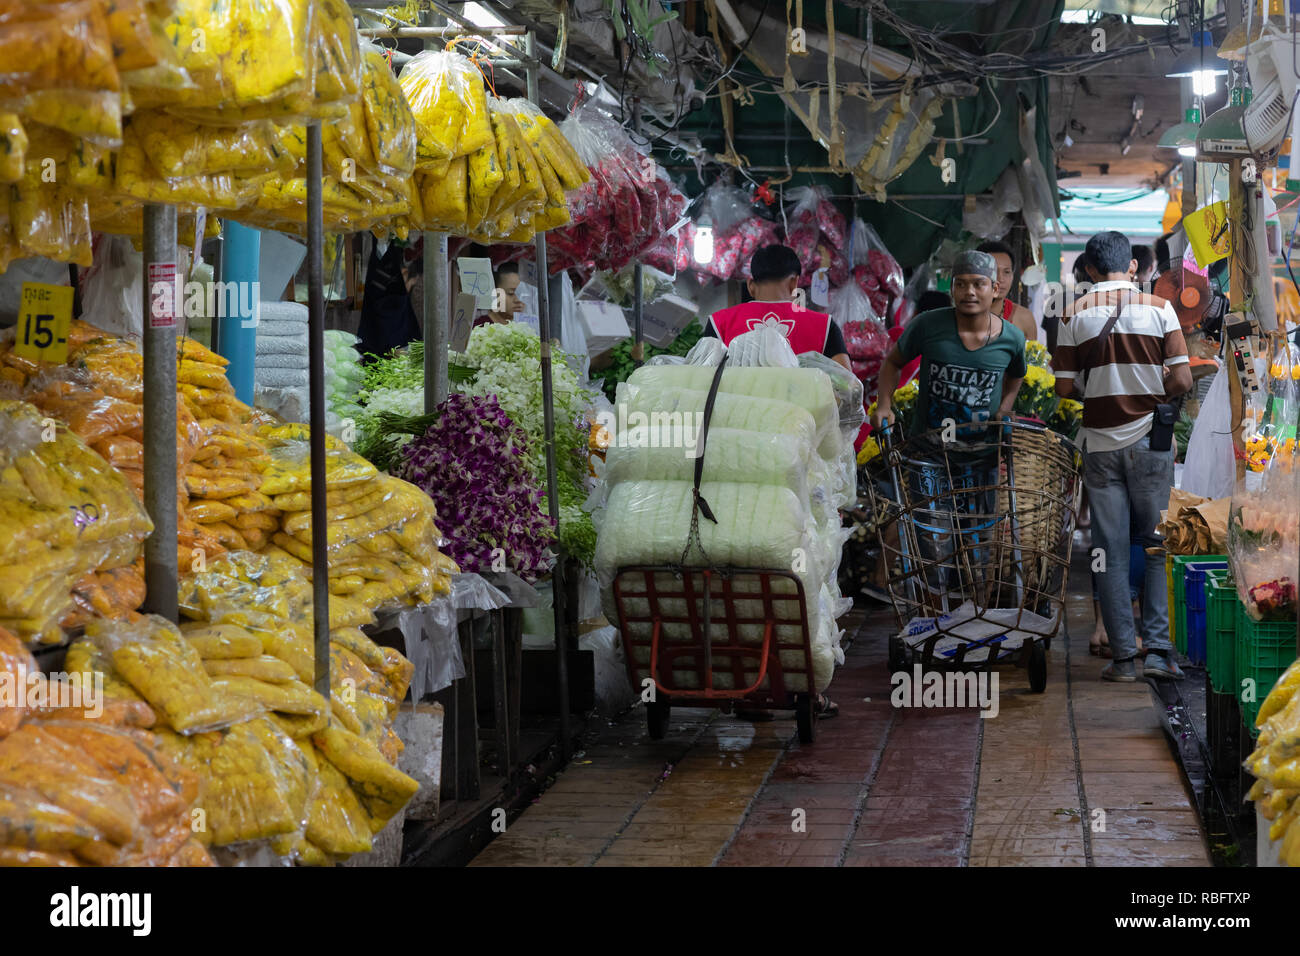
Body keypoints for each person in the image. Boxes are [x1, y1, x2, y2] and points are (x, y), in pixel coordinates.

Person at [1053, 231, 1192, 682]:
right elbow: (1183, 380)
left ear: (1089, 271)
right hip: (1151, 444)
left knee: (1106, 553)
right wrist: (1152, 394)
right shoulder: (1160, 309)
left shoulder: (1072, 313)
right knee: (1156, 546)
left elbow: (1063, 387)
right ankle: (1158, 652)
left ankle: (1123, 660)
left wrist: (1099, 389)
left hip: (1099, 447)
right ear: (1133, 267)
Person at [873, 250, 1027, 436]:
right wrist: (884, 405)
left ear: (994, 289)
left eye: (978, 284)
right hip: (927, 453)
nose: (969, 292)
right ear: (952, 289)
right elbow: (892, 362)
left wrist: (1005, 406)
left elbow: (1017, 375)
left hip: (983, 456)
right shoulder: (927, 325)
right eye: (960, 284)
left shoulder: (1012, 338)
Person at [704, 244, 852, 371]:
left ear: (750, 285)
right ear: (794, 282)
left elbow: (701, 381)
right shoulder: (824, 326)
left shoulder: (719, 323)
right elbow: (848, 388)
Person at [356, 242, 421, 362]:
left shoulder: (392, 294)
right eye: (413, 281)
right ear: (405, 273)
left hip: (377, 359)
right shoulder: (397, 302)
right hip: (389, 360)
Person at [977, 240, 1038, 343]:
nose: (1000, 279)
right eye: (993, 271)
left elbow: (1032, 357)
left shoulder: (1024, 318)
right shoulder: (960, 316)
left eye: (1006, 272)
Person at [474, 261, 525, 328]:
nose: (518, 300)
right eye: (511, 293)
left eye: (523, 294)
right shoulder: (479, 329)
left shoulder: (529, 328)